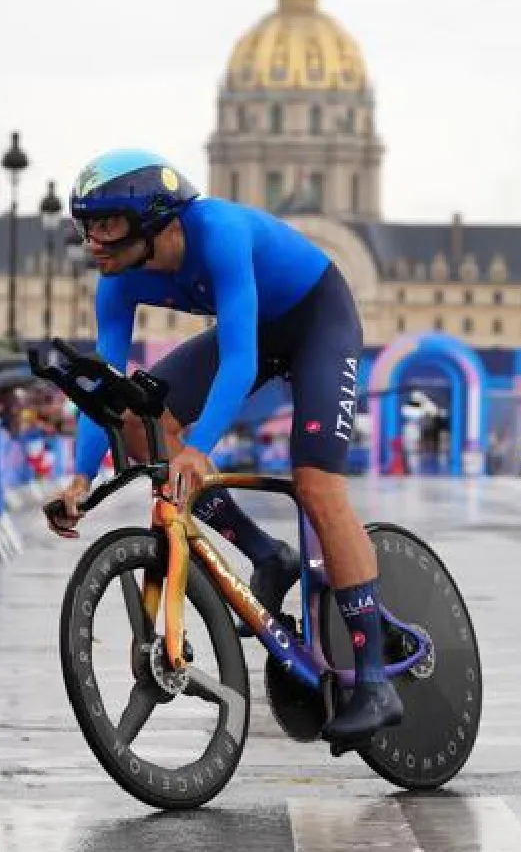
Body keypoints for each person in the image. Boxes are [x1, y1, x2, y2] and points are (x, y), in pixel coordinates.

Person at [45, 148, 402, 747]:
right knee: (139, 423)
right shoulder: (115, 282)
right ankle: (269, 555)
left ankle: (375, 682)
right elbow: (102, 392)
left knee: (316, 486)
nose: (92, 240)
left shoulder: (220, 232)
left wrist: (199, 447)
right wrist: (80, 479)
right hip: (257, 330)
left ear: (153, 219)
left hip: (317, 320)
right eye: (87, 225)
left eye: (105, 224)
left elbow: (239, 359)